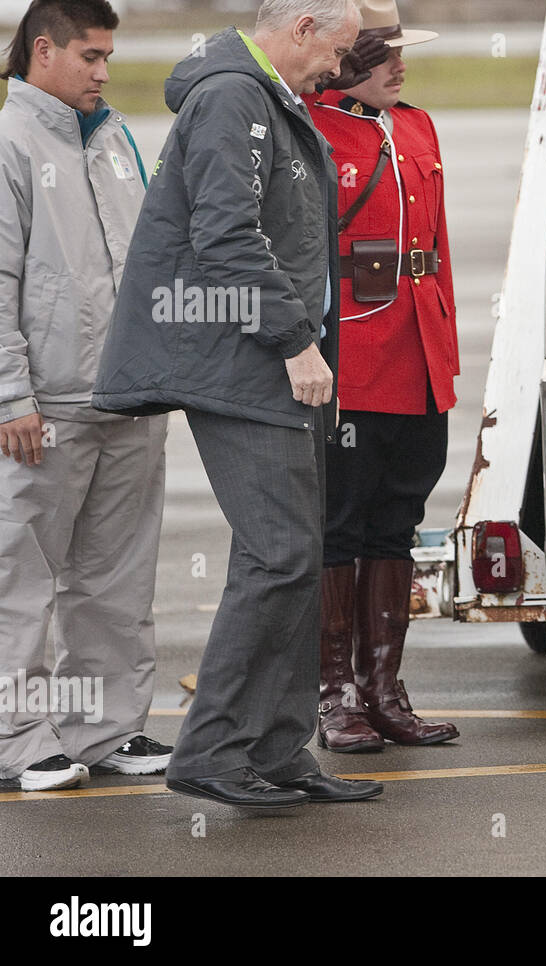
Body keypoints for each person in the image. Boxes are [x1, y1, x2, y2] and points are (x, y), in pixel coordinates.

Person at [92, 0, 382, 807]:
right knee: (279, 556)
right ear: (300, 28)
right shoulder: (233, 98)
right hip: (246, 362)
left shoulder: (269, 101)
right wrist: (294, 340)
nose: (340, 69)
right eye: (338, 51)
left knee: (295, 558)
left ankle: (277, 748)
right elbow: (227, 236)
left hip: (272, 364)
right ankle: (213, 751)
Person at [0, 0, 172, 792]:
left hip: (126, 402)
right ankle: (15, 739)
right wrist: (11, 398)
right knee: (20, 581)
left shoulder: (113, 140)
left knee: (116, 579)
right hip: (45, 411)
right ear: (43, 50)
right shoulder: (10, 143)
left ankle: (104, 729)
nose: (105, 72)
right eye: (90, 56)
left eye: (109, 57)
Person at [305, 0, 458, 753]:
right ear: (344, 59)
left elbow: (438, 253)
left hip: (418, 356)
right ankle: (333, 696)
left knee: (397, 520)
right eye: (384, 52)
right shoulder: (310, 128)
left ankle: (384, 689)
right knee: (340, 523)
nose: (402, 64)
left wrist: (446, 360)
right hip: (352, 361)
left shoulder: (421, 127)